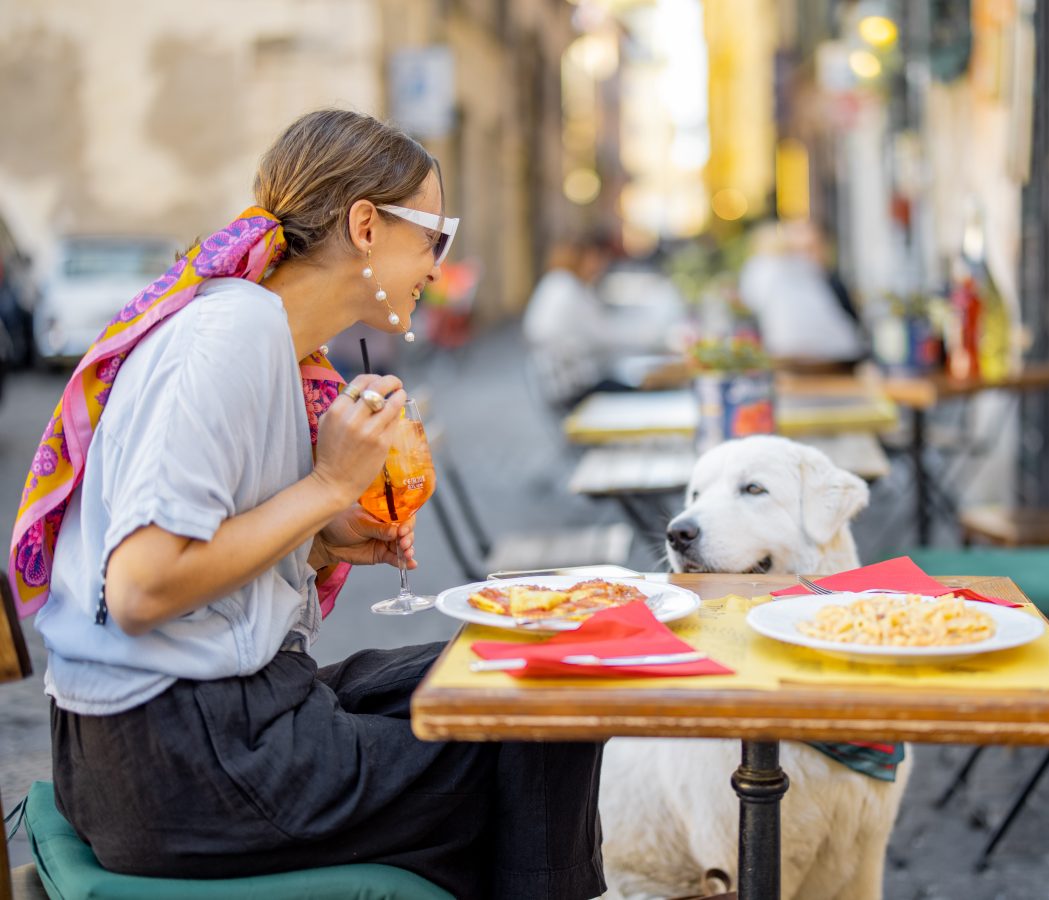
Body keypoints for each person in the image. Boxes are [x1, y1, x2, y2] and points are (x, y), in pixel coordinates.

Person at [8, 109, 604, 900]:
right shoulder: (229, 335)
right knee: (539, 730)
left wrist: (323, 542)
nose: (440, 262)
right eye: (435, 234)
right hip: (183, 765)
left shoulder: (271, 339)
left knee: (534, 663)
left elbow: (203, 567)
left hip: (199, 730)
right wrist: (324, 486)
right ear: (365, 224)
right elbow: (141, 587)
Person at [521, 234, 668, 406]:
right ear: (581, 258)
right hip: (578, 389)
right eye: (596, 258)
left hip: (560, 386)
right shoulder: (568, 290)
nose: (600, 265)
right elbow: (606, 336)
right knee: (654, 392)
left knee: (639, 378)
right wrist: (656, 340)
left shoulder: (555, 283)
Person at [738, 219, 863, 362]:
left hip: (794, 350)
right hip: (831, 351)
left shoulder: (767, 268)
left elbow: (751, 300)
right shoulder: (803, 269)